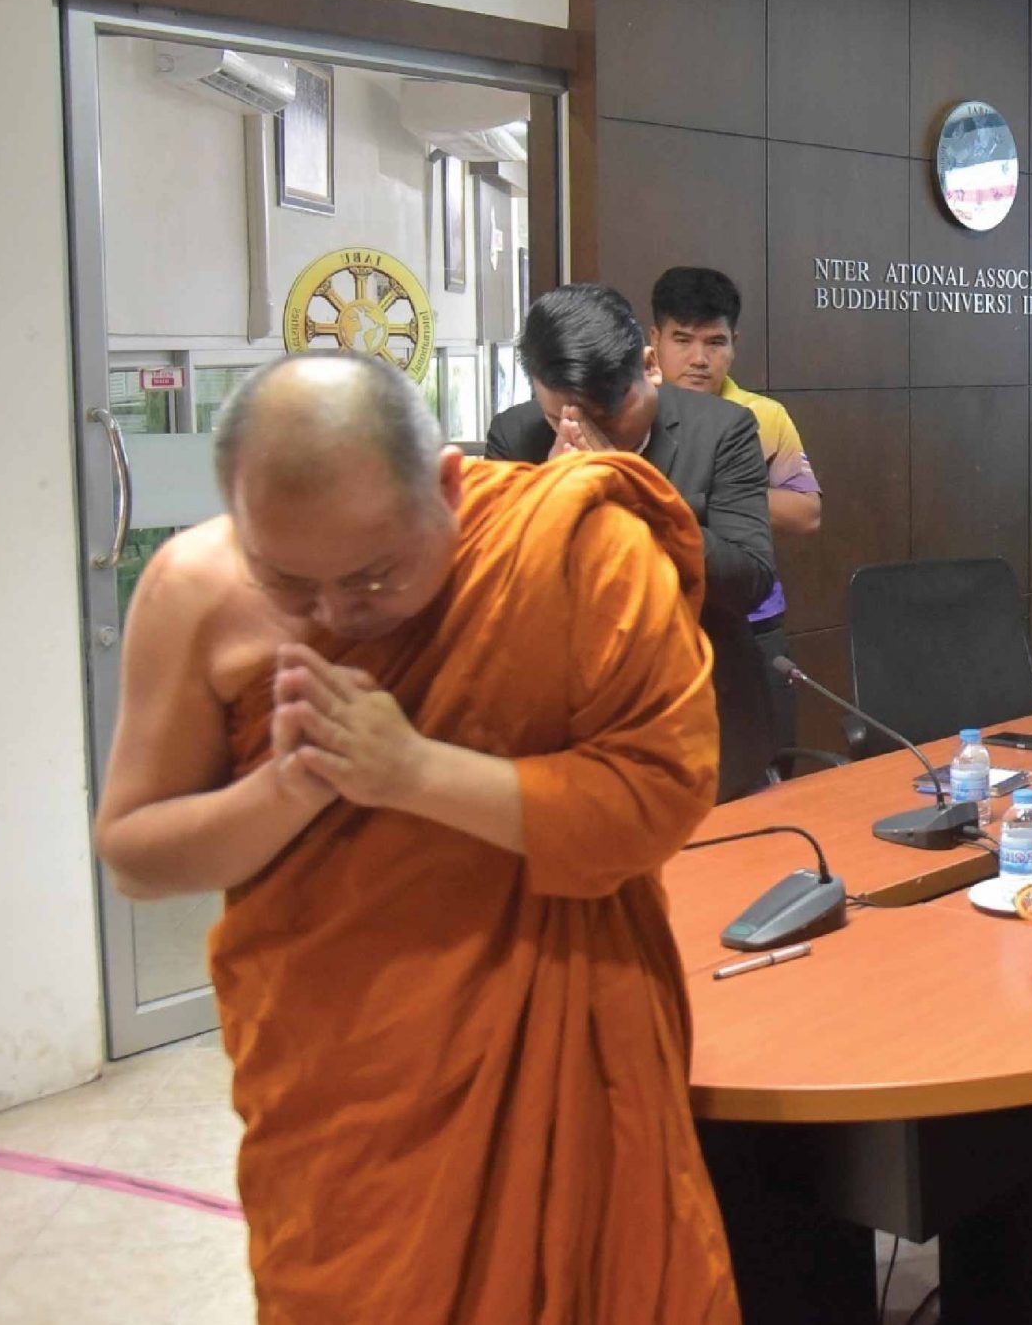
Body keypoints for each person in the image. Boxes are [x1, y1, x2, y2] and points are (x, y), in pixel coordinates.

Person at [91, 352, 738, 1323]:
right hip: (339, 1079)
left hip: (564, 1029)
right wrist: (293, 783)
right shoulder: (193, 587)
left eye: (372, 575)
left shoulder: (575, 550)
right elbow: (136, 851)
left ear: (445, 485)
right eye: (286, 583)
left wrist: (413, 771)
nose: (333, 613)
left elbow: (660, 796)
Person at [486, 283, 779, 802]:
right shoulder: (516, 435)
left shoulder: (722, 430)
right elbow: (498, 593)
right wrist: (548, 499)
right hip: (568, 734)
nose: (580, 433)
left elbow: (749, 579)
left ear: (648, 366)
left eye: (605, 418)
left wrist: (630, 489)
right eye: (559, 418)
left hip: (701, 726)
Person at [649, 266, 823, 761]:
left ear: (734, 344)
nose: (699, 359)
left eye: (715, 342)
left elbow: (807, 512)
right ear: (654, 340)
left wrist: (724, 494)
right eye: (682, 340)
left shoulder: (762, 416)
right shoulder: (634, 411)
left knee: (767, 766)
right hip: (658, 625)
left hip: (754, 620)